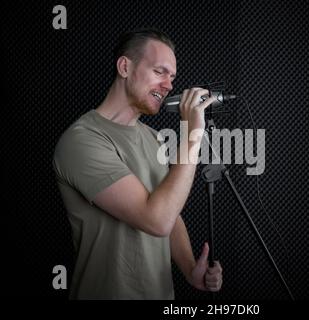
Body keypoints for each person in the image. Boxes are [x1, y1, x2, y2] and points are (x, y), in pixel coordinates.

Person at [53, 28, 223, 299]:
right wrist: (193, 134)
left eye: (172, 77)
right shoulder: (82, 141)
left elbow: (169, 211)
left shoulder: (154, 138)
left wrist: (190, 268)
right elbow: (157, 220)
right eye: (159, 72)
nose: (169, 85)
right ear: (124, 67)